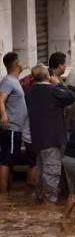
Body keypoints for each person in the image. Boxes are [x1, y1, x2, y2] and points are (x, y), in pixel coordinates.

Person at [26, 65, 75, 204]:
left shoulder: (31, 91)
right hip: (52, 139)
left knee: (42, 170)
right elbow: (71, 97)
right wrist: (58, 83)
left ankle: (40, 198)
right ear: (47, 76)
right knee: (52, 172)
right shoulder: (52, 91)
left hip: (38, 138)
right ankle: (49, 203)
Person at [0, 52, 28, 194]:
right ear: (17, 64)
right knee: (6, 161)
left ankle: (8, 193)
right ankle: (4, 196)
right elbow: (1, 99)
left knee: (10, 162)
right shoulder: (8, 81)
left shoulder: (14, 80)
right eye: (21, 61)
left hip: (16, 128)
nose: (22, 63)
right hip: (10, 127)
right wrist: (4, 115)